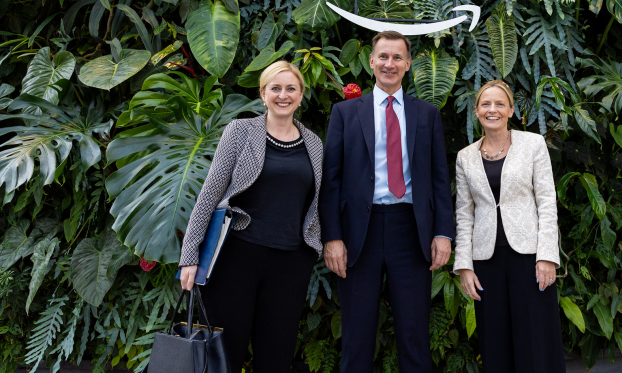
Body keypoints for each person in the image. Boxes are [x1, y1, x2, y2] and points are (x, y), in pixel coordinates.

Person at [320, 30, 454, 373]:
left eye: (397, 57)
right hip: (356, 234)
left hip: (410, 230)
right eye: (383, 56)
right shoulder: (345, 113)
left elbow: (440, 180)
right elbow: (330, 181)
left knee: (414, 336)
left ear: (408, 64)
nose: (389, 64)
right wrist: (332, 238)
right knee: (356, 335)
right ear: (371, 61)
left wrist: (443, 233)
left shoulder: (427, 115)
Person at [178, 60, 324, 373]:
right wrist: (189, 255)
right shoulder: (240, 131)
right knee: (224, 355)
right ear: (263, 94)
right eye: (275, 88)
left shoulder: (313, 144)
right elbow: (210, 194)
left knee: (277, 355)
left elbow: (316, 203)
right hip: (238, 257)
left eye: (290, 89)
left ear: (300, 95)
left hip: (290, 263)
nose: (283, 95)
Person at [453, 79, 567, 373]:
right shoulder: (465, 157)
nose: (493, 109)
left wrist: (546, 256)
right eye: (486, 104)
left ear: (511, 110)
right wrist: (464, 265)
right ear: (477, 111)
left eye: (499, 104)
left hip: (529, 258)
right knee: (494, 342)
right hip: (486, 262)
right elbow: (465, 214)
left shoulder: (533, 144)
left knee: (536, 342)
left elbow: (546, 202)